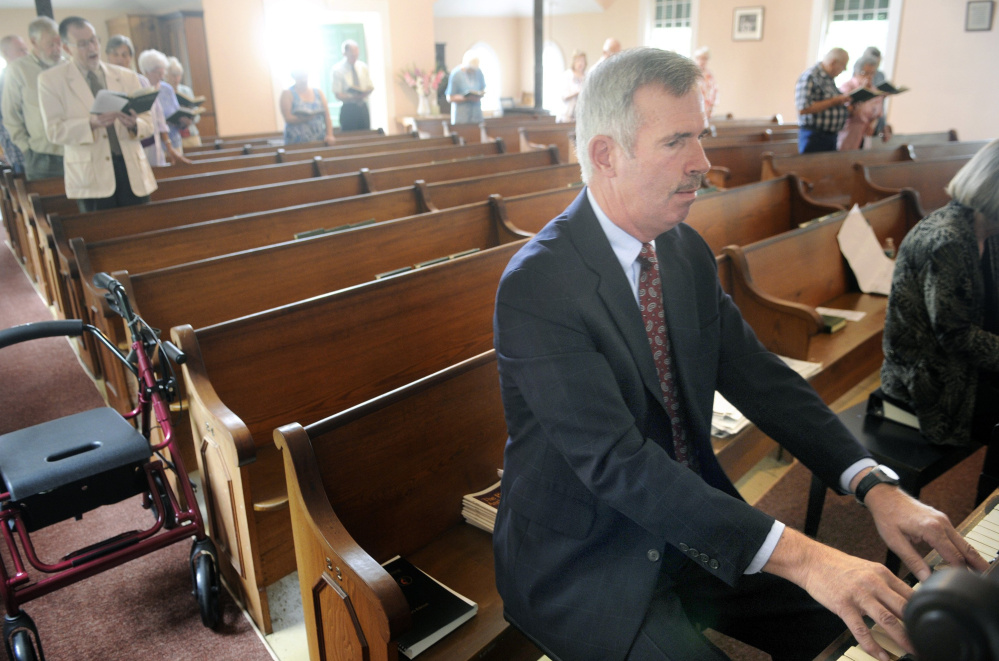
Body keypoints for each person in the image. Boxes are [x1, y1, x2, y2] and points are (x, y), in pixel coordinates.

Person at [492, 47, 986, 661]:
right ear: (605, 154)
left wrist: (874, 487)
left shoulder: (682, 251)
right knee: (825, 583)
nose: (703, 161)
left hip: (696, 525)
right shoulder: (538, 286)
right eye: (677, 141)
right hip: (591, 558)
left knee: (870, 624)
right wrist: (806, 557)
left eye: (701, 136)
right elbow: (618, 464)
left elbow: (762, 379)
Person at [881, 139, 999, 503]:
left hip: (962, 366)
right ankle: (989, 513)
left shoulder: (985, 231)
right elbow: (956, 335)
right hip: (929, 379)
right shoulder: (947, 241)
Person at [38, 17, 157, 212]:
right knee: (102, 237)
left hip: (131, 170)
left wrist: (134, 124)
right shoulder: (51, 81)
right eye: (83, 44)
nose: (92, 48)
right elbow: (54, 130)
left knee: (142, 233)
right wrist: (90, 124)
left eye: (94, 40)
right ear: (67, 48)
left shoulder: (126, 76)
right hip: (91, 175)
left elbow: (148, 123)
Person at [2, 17, 65, 181]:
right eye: (50, 44)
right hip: (41, 156)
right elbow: (10, 115)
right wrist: (27, 149)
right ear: (34, 42)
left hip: (75, 150)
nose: (57, 49)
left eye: (59, 43)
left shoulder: (67, 67)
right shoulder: (18, 70)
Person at [136, 49, 191, 165]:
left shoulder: (167, 89)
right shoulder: (139, 89)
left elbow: (175, 111)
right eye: (158, 73)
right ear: (146, 71)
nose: (161, 77)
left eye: (163, 73)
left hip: (173, 140)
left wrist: (183, 120)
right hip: (150, 145)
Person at [795, 48, 852, 153]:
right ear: (833, 62)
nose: (845, 69)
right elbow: (803, 108)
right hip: (814, 136)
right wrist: (833, 101)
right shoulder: (810, 76)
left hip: (830, 136)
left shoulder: (828, 79)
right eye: (843, 65)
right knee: (811, 168)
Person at [837, 54, 885, 151]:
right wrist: (861, 92)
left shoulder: (874, 91)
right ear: (856, 72)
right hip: (849, 131)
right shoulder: (847, 87)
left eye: (872, 73)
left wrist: (873, 124)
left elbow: (877, 113)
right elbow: (844, 110)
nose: (869, 77)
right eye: (865, 73)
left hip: (865, 134)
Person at [280, 69, 335, 146]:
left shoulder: (318, 92)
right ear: (294, 76)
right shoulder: (287, 93)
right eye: (300, 76)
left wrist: (329, 135)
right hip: (296, 141)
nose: (303, 79)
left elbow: (327, 116)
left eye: (305, 75)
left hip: (318, 139)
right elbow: (287, 118)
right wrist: (304, 118)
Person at [0, 35, 29, 173]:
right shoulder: (2, 83)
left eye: (26, 50)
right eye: (20, 50)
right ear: (6, 54)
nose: (26, 54)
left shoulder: (28, 78)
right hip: (18, 152)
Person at [330, 39, 372, 131]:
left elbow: (369, 86)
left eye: (356, 55)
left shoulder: (362, 67)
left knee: (366, 136)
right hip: (349, 109)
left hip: (362, 108)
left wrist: (365, 92)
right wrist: (353, 97)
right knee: (350, 136)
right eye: (352, 55)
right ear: (344, 53)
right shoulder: (338, 70)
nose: (354, 57)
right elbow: (338, 94)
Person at [165, 56, 201, 149]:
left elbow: (196, 113)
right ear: (166, 75)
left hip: (190, 135)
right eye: (173, 75)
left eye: (179, 75)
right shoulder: (163, 92)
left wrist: (191, 120)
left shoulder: (186, 91)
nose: (176, 78)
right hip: (172, 137)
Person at [445, 50, 486, 125]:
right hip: (461, 118)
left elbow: (482, 89)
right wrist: (467, 98)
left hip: (476, 116)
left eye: (474, 70)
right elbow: (449, 98)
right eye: (471, 70)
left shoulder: (478, 72)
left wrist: (478, 96)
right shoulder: (456, 74)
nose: (473, 72)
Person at [559, 50, 586, 123]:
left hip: (582, 115)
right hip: (568, 115)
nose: (580, 63)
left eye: (582, 61)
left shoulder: (586, 77)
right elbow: (564, 96)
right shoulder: (567, 75)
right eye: (578, 61)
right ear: (574, 62)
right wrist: (577, 92)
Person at [693, 46, 718, 120]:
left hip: (706, 108)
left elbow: (714, 91)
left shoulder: (709, 75)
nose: (701, 61)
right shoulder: (692, 74)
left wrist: (710, 108)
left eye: (704, 59)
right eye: (699, 58)